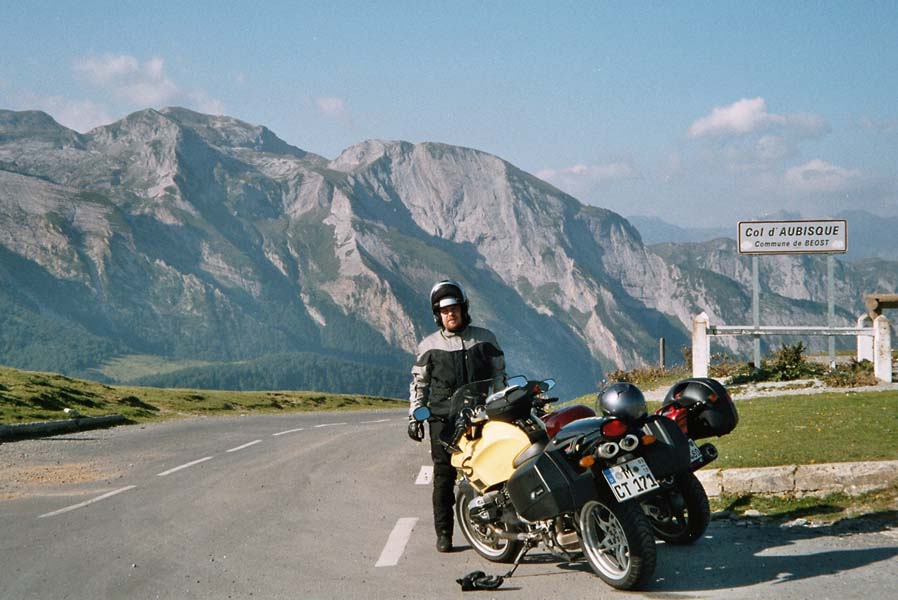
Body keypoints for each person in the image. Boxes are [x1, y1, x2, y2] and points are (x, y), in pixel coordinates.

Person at [407, 279, 506, 553]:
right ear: (437, 315)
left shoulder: (485, 339)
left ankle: (498, 526)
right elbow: (419, 385)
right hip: (443, 422)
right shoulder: (428, 346)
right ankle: (444, 534)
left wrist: (502, 405)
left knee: (491, 469)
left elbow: (500, 378)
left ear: (464, 309)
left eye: (454, 309)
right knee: (444, 477)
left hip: (481, 417)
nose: (450, 314)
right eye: (444, 310)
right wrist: (415, 417)